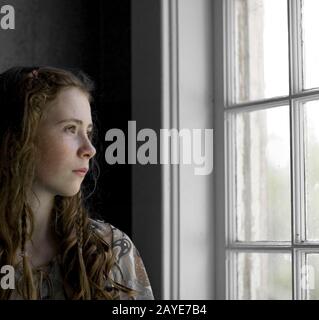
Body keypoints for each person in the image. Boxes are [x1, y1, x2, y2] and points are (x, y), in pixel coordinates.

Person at [0, 66, 154, 300]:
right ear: (20, 137)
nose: (89, 149)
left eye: (88, 131)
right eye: (70, 129)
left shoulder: (110, 250)